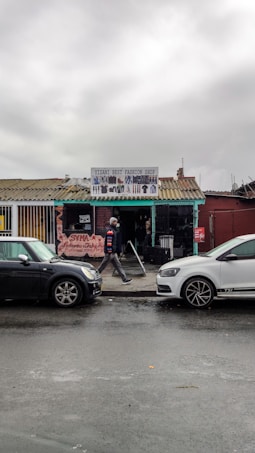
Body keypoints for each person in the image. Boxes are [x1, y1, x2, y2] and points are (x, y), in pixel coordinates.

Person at [98, 217, 132, 284]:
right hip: (110, 253)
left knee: (118, 265)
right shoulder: (110, 231)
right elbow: (109, 242)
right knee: (102, 266)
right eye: (115, 222)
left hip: (113, 252)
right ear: (113, 222)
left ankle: (124, 279)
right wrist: (110, 251)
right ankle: (93, 276)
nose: (117, 223)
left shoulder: (113, 230)